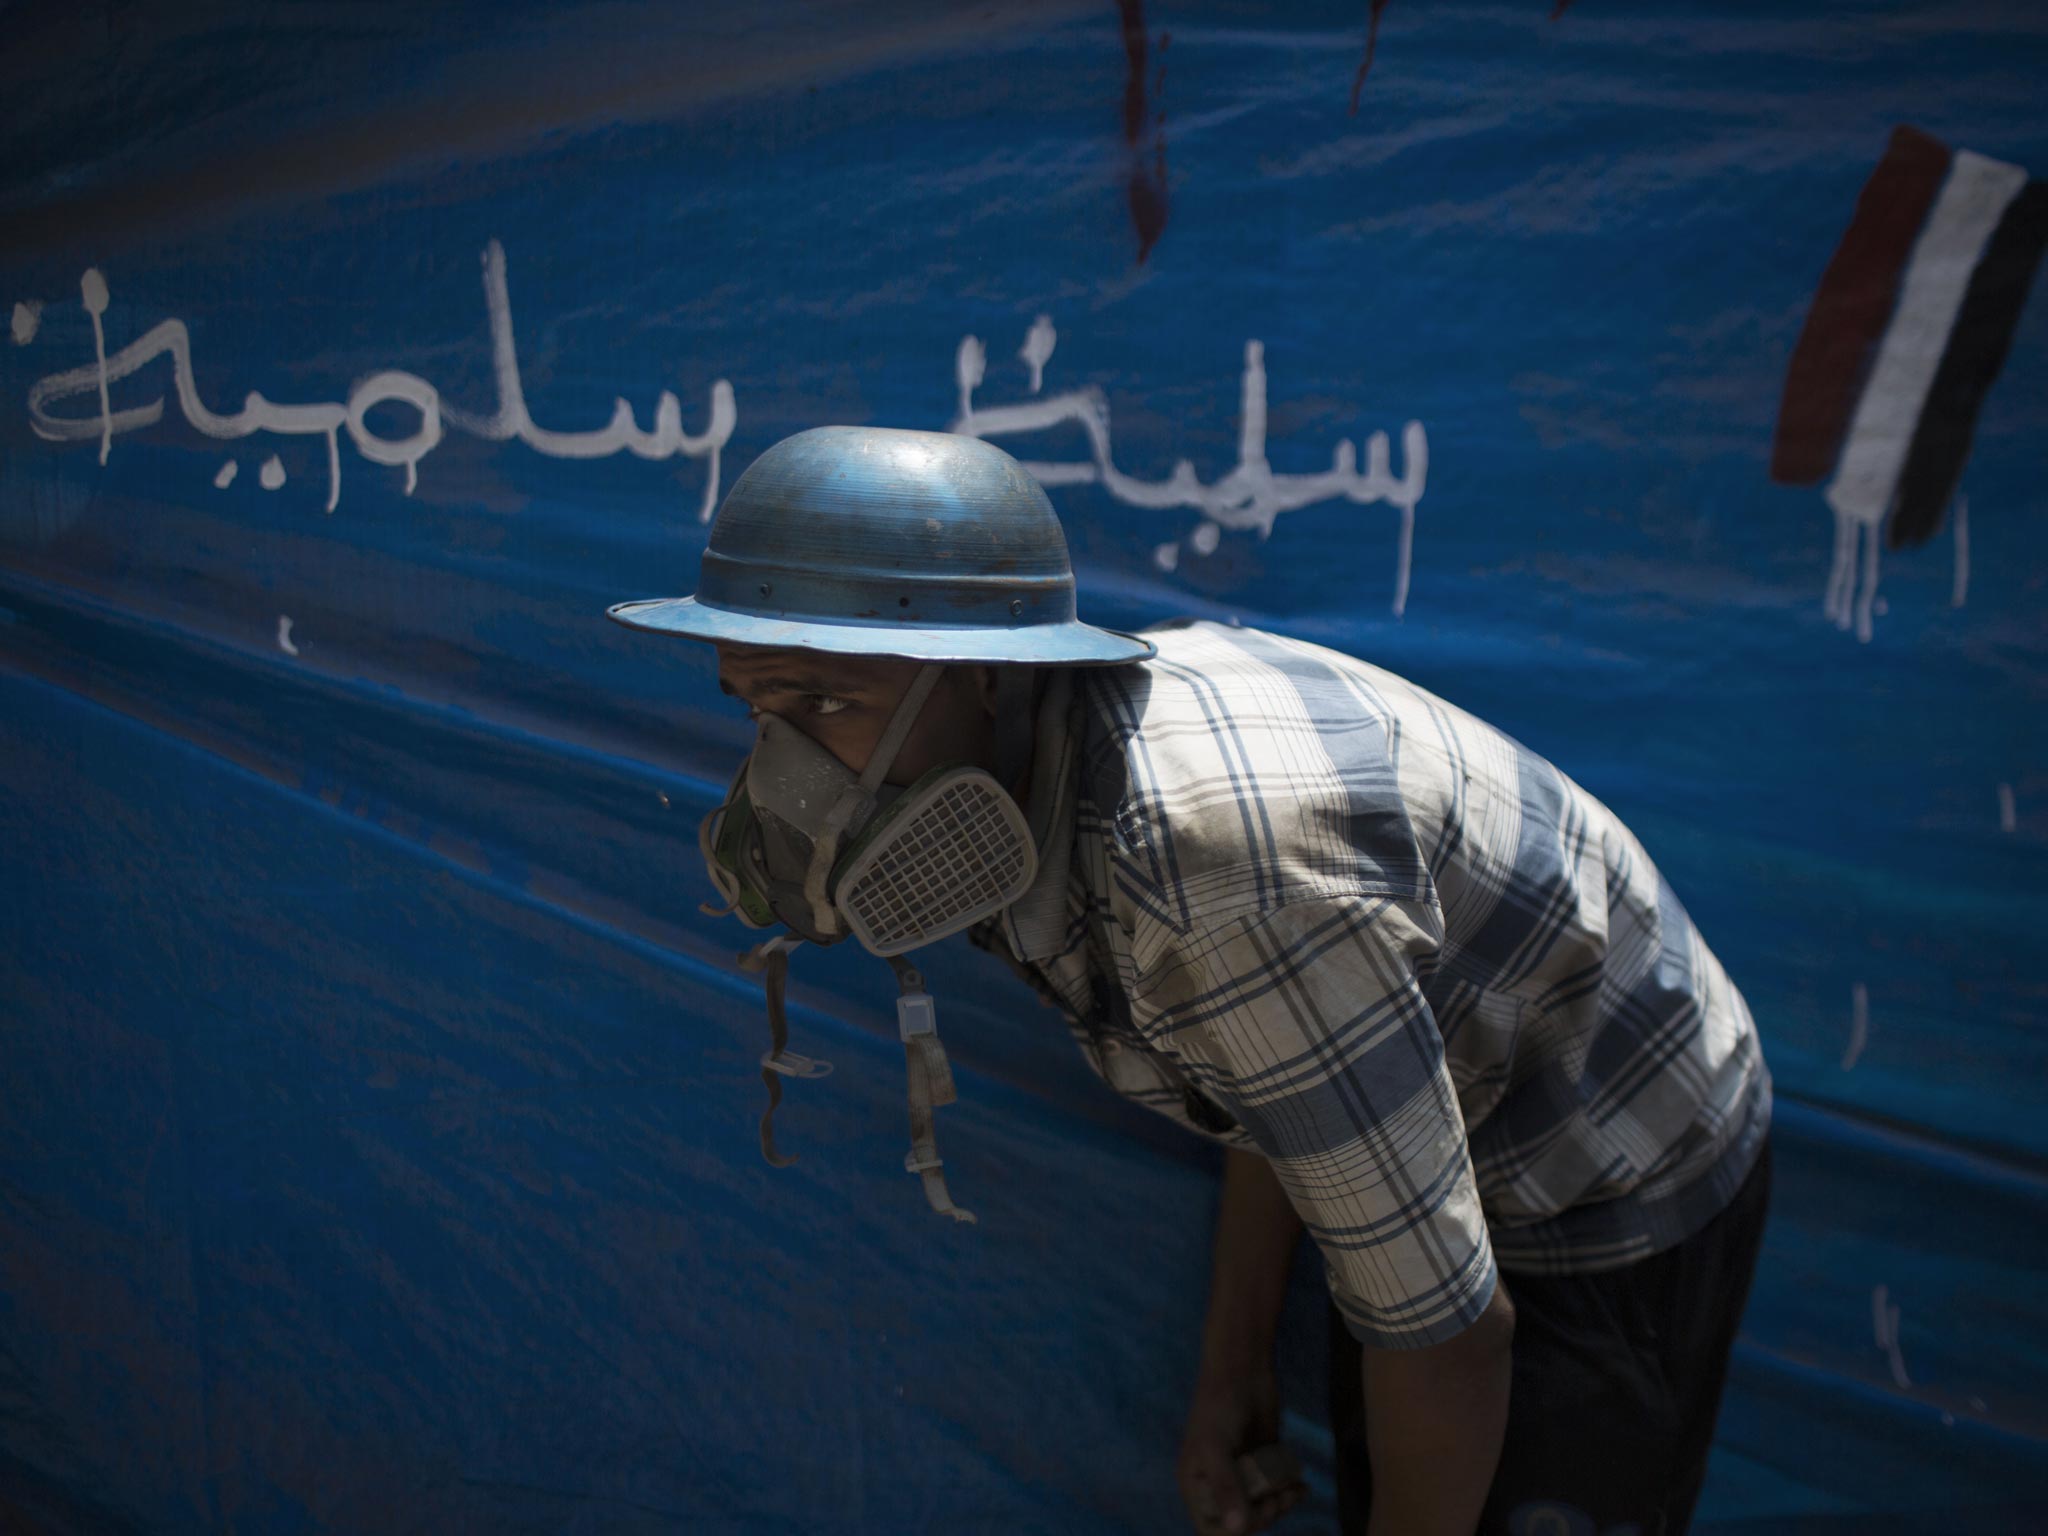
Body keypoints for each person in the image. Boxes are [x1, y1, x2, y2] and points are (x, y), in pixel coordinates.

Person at [609, 425, 1774, 1536]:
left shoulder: (1216, 881)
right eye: (755, 710)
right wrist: (1233, 1364)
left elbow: (1448, 1338)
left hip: (1605, 1147)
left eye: (824, 704)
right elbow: (1274, 1072)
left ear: (985, 677)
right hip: (1418, 1105)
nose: (782, 778)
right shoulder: (1028, 785)